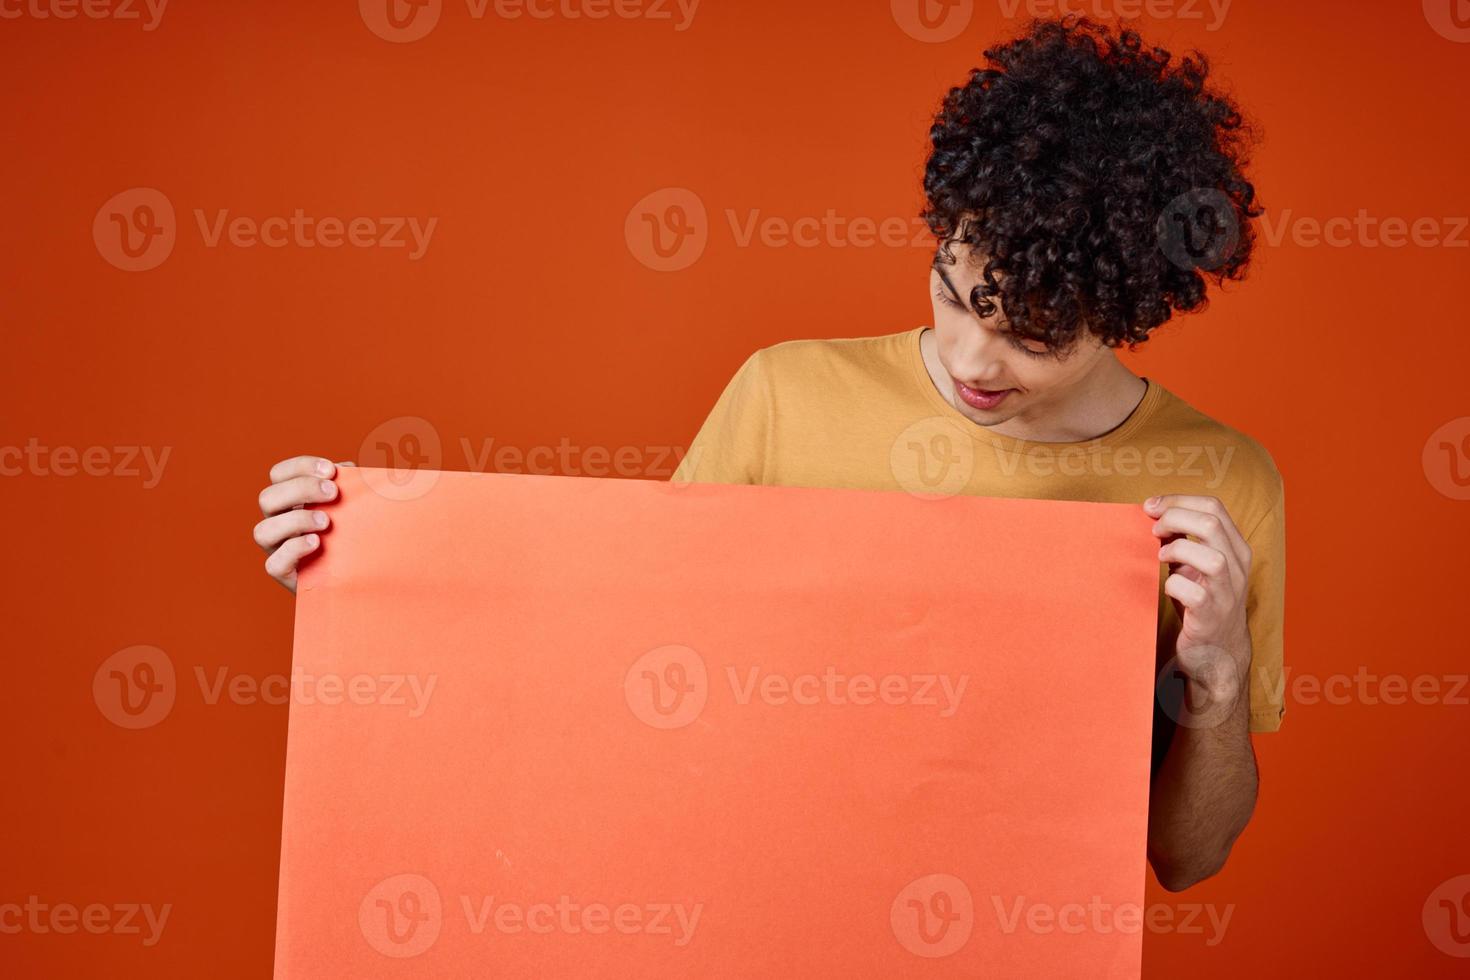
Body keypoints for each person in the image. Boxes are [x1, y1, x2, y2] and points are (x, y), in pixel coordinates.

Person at [252, 16, 1283, 892]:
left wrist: (1220, 674)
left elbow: (1185, 858)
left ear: (1133, 308)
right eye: (956, 290)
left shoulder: (1220, 485)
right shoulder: (785, 396)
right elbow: (612, 669)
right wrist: (377, 587)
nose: (974, 357)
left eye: (1036, 334)